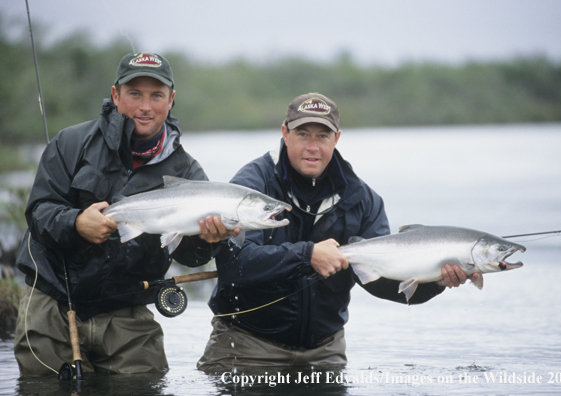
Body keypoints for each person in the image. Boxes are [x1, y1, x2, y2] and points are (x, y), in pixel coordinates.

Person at [197, 92, 480, 371]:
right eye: (303, 134)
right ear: (285, 133)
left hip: (326, 351)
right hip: (246, 345)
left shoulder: (362, 199)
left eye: (322, 136)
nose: (312, 146)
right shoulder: (251, 187)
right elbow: (236, 266)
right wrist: (308, 255)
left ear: (337, 139)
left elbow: (383, 283)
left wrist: (436, 281)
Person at [13, 52, 238, 376]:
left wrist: (208, 241)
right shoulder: (71, 143)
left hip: (128, 307)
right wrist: (76, 224)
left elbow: (189, 255)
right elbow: (38, 213)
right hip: (51, 300)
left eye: (156, 95)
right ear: (116, 95)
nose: (145, 106)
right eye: (135, 94)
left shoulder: (187, 171)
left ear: (171, 100)